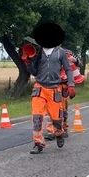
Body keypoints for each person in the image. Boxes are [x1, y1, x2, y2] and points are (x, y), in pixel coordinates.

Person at [22, 22, 77, 154]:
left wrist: (71, 85)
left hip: (54, 89)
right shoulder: (38, 52)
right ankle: (38, 143)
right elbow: (34, 72)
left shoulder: (61, 53)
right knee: (37, 117)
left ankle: (58, 133)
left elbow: (69, 70)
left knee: (56, 118)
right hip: (39, 87)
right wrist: (27, 62)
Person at [46, 47, 84, 141]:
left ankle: (64, 128)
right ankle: (51, 131)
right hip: (52, 84)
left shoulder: (67, 52)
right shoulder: (46, 53)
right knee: (51, 108)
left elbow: (80, 63)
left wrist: (74, 60)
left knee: (63, 109)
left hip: (64, 85)